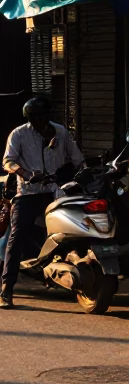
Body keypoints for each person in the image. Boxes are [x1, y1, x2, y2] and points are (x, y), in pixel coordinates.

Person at [1, 96, 84, 309]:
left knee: (72, 229)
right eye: (35, 118)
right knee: (17, 237)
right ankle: (6, 289)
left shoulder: (60, 132)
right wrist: (26, 174)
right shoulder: (19, 134)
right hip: (28, 193)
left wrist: (83, 172)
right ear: (29, 119)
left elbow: (77, 158)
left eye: (43, 117)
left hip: (54, 191)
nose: (40, 121)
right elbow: (8, 161)